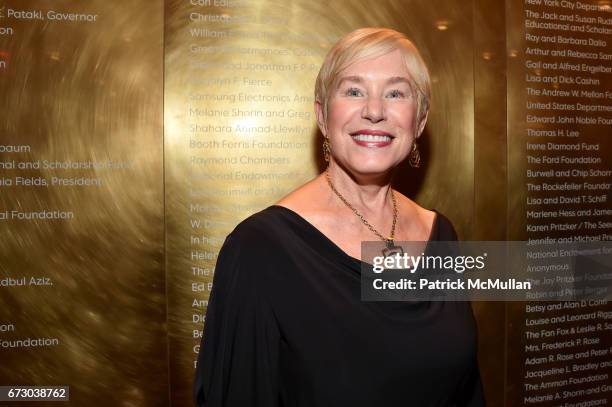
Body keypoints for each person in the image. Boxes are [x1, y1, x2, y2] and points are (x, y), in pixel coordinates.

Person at [194, 27, 484, 406]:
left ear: (420, 120)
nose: (375, 111)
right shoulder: (260, 250)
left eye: (396, 92)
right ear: (322, 114)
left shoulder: (441, 233)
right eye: (353, 90)